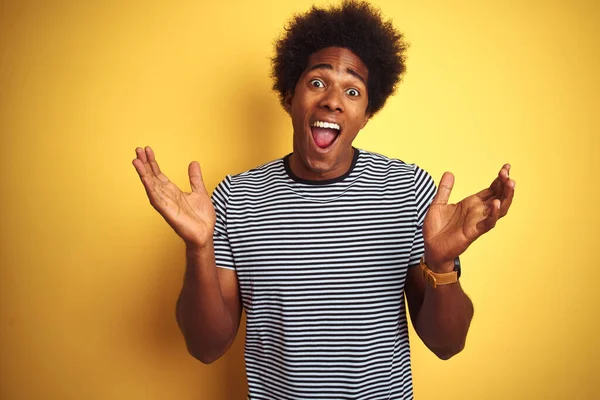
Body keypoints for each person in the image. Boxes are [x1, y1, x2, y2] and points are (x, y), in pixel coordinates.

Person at [132, 1, 515, 398]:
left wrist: (440, 264)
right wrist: (199, 248)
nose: (333, 99)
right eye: (317, 82)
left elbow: (447, 345)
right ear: (289, 96)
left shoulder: (407, 190)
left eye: (353, 90)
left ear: (366, 114)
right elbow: (206, 347)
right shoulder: (236, 198)